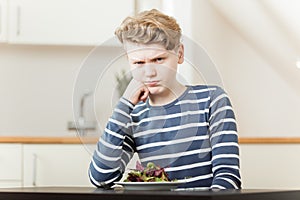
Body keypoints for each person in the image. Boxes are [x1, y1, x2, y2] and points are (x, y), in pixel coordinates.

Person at [89, 9, 241, 189]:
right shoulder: (133, 115)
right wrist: (124, 106)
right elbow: (101, 179)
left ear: (180, 54)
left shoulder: (212, 100)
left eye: (159, 59)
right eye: (138, 63)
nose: (149, 73)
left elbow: (228, 178)